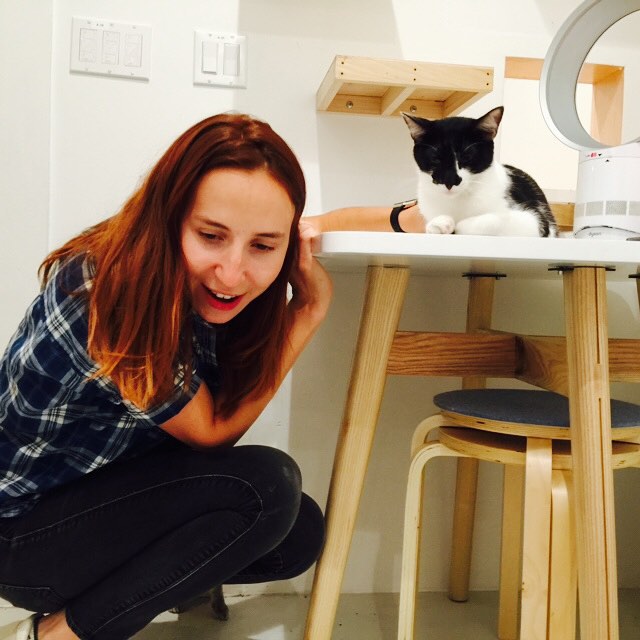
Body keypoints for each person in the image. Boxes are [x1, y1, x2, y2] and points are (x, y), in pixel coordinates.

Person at [0, 112, 424, 640]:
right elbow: (210, 433)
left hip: (99, 496)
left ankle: (149, 590)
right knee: (265, 488)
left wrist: (408, 216)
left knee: (298, 532)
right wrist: (306, 311)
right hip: (20, 535)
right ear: (170, 216)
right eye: (210, 236)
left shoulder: (197, 270)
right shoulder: (106, 288)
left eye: (262, 246)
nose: (232, 272)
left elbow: (315, 227)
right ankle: (58, 633)